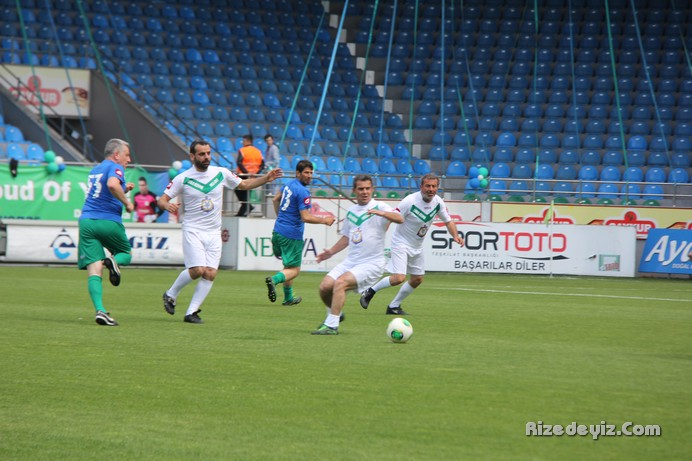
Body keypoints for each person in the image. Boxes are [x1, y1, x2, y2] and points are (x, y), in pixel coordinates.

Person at [159, 140, 282, 324]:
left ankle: (191, 312)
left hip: (214, 232)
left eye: (208, 153)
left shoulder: (221, 173)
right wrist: (166, 205)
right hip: (193, 230)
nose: (206, 157)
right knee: (197, 270)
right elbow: (162, 199)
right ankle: (170, 294)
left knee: (210, 273)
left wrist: (265, 178)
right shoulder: (183, 178)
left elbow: (243, 185)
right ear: (192, 156)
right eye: (202, 154)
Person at [312, 175, 404, 335]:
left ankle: (331, 325)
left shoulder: (380, 206)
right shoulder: (351, 211)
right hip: (351, 262)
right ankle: (337, 314)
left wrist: (382, 214)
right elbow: (346, 238)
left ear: (372, 189)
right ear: (354, 190)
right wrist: (330, 252)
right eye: (361, 189)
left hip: (372, 263)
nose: (364, 192)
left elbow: (400, 218)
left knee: (340, 283)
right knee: (324, 287)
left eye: (368, 188)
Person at [360, 173, 464, 315]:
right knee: (399, 278)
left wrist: (455, 236)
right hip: (401, 243)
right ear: (421, 186)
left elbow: (448, 221)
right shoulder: (409, 201)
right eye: (428, 186)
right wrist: (382, 213)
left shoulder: (438, 202)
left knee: (417, 279)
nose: (431, 189)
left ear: (437, 188)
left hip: (417, 246)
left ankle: (393, 307)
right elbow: (396, 216)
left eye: (434, 186)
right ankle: (370, 291)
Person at [78, 138, 135, 326]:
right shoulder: (115, 167)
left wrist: (124, 188)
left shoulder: (95, 169)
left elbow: (105, 189)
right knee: (125, 253)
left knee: (94, 269)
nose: (128, 159)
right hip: (107, 220)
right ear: (116, 155)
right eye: (127, 155)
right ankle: (112, 261)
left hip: (87, 221)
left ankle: (100, 310)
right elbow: (111, 184)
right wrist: (127, 202)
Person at [265, 159, 335, 306]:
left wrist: (281, 218)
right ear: (298, 173)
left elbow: (275, 199)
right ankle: (274, 280)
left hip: (278, 231)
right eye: (306, 173)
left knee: (288, 267)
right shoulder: (303, 191)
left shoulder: (288, 185)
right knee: (295, 270)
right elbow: (305, 217)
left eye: (311, 173)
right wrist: (325, 220)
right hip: (292, 235)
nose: (309, 176)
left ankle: (288, 298)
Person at [235, 134, 265, 217]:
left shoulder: (242, 150)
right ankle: (245, 208)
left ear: (248, 141)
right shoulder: (258, 151)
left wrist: (247, 173)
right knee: (245, 192)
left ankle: (246, 206)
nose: (243, 142)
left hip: (243, 175)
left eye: (244, 141)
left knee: (238, 190)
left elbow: (239, 162)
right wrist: (256, 173)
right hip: (254, 176)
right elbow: (263, 164)